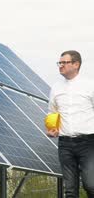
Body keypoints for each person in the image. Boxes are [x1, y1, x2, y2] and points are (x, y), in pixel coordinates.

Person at [48, 50, 94, 197]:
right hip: (65, 144)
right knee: (70, 190)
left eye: (64, 62)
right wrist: (52, 128)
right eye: (59, 63)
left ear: (76, 64)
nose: (60, 65)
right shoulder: (56, 88)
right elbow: (52, 112)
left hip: (88, 143)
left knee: (91, 184)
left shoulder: (90, 85)